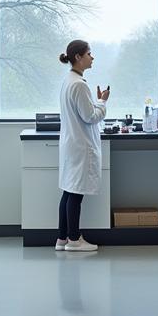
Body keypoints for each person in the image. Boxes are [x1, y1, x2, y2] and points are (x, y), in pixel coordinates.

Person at [56, 39, 109, 254]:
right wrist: (102, 102)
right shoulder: (78, 84)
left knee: (69, 192)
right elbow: (90, 117)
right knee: (76, 193)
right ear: (78, 57)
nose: (92, 57)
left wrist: (95, 102)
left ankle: (62, 238)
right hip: (80, 145)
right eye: (89, 53)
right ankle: (75, 240)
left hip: (72, 143)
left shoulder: (69, 80)